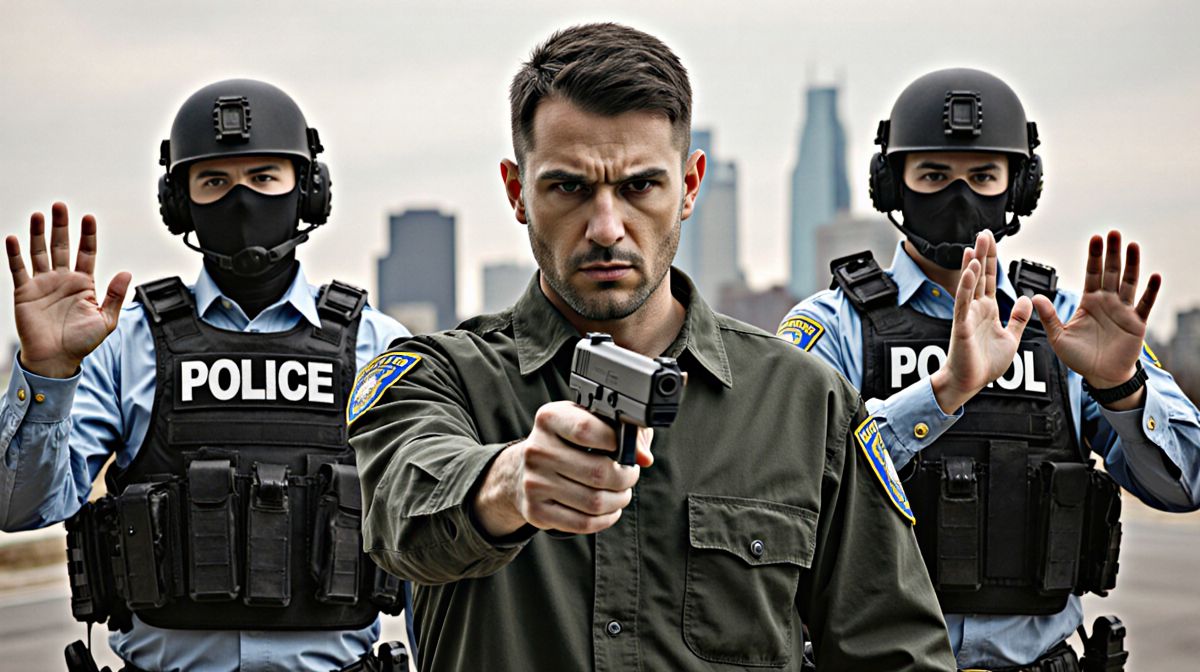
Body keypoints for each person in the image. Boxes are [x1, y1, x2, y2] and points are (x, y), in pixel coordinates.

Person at [349, 23, 956, 672]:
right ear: (515, 191)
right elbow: (399, 517)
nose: (607, 228)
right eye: (569, 187)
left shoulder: (805, 403)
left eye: (639, 186)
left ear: (691, 185)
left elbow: (897, 653)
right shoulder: (433, 377)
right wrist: (508, 487)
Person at [779, 68, 1200, 671]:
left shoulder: (1071, 329)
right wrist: (941, 394)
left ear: (1018, 188)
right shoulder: (832, 326)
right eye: (932, 176)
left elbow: (1187, 485)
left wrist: (1122, 388)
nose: (958, 198)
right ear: (891, 185)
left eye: (982, 177)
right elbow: (789, 485)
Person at [0, 79, 415, 672]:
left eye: (265, 177)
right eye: (215, 181)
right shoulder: (128, 343)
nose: (242, 201)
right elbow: (18, 509)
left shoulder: (378, 346)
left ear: (309, 192)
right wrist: (45, 374)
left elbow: (427, 545)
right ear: (180, 202)